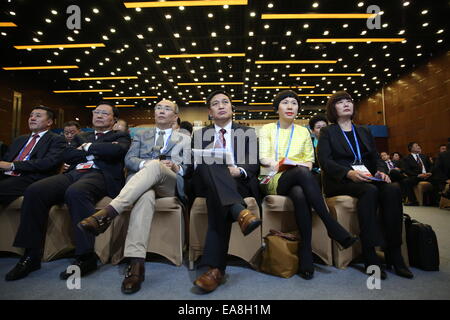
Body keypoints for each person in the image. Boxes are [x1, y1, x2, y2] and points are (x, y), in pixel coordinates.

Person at [5, 101, 131, 281]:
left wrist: (87, 149)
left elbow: (116, 151)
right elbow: (68, 156)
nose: (99, 115)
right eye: (96, 112)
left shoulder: (121, 135)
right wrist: (98, 151)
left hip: (100, 175)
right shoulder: (82, 136)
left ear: (114, 119)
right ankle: (31, 254)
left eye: (104, 113)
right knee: (35, 190)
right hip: (74, 172)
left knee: (76, 192)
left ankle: (86, 256)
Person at [78, 99, 191, 294]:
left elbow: (188, 167)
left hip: (168, 182)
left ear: (175, 116)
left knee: (157, 165)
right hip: (141, 183)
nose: (161, 111)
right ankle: (136, 264)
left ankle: (109, 212)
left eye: (167, 109)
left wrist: (176, 166)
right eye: (158, 108)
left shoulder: (184, 137)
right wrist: (145, 165)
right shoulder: (141, 134)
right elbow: (129, 159)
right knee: (145, 195)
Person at [259, 90, 358, 280]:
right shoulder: (268, 129)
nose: (290, 106)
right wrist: (283, 163)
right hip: (274, 177)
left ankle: (305, 253)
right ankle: (331, 225)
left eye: (294, 103)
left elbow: (310, 162)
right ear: (276, 108)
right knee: (301, 173)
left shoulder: (303, 131)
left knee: (299, 192)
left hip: (298, 178)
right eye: (285, 103)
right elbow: (264, 158)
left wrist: (295, 165)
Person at [318, 91, 413, 280]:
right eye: (340, 102)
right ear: (333, 108)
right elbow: (325, 161)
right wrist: (349, 173)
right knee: (369, 191)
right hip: (341, 181)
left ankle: (394, 252)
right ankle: (370, 253)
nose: (346, 104)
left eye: (349, 101)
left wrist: (381, 171)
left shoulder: (364, 130)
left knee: (393, 189)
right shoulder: (328, 132)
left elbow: (375, 157)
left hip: (368, 177)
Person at [187, 90, 261, 293]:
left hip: (237, 182)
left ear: (231, 108)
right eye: (215, 103)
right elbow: (193, 164)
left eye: (225, 102)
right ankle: (240, 212)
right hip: (208, 182)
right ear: (210, 111)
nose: (221, 105)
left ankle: (213, 269)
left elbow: (253, 164)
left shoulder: (247, 133)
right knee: (208, 163)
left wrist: (238, 170)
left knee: (218, 198)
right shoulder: (200, 134)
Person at [0, 106, 66, 206]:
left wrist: (13, 165)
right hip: (7, 175)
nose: (32, 118)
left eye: (38, 116)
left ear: (49, 122)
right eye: (31, 116)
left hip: (31, 177)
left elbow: (47, 163)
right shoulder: (20, 139)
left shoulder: (56, 140)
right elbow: (5, 161)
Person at [308, 115, 328, 186]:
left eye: (324, 126)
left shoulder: (334, 142)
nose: (322, 129)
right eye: (318, 127)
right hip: (314, 174)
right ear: (312, 131)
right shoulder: (308, 144)